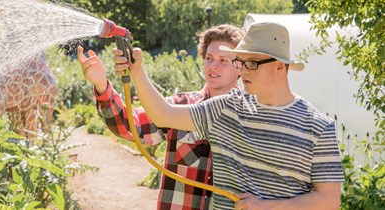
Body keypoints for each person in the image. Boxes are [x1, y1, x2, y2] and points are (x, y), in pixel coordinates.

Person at [111, 22, 344, 210]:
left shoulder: (318, 126)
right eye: (240, 62)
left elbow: (329, 200)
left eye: (251, 63)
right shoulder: (226, 108)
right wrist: (137, 71)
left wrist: (269, 206)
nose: (241, 70)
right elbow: (164, 115)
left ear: (279, 66)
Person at [78, 24, 245, 210]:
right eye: (209, 58)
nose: (213, 66)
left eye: (223, 60)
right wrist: (102, 86)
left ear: (241, 67)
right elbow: (129, 126)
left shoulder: (252, 117)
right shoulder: (179, 107)